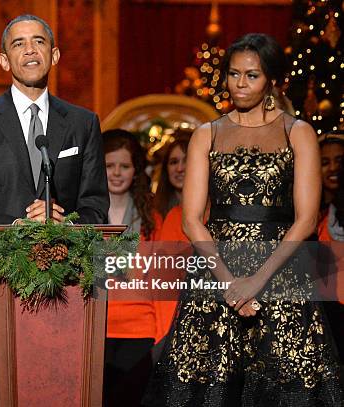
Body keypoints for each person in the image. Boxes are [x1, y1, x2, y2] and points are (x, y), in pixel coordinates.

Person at [146, 33, 341, 405]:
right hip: (216, 274)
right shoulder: (207, 134)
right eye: (234, 74)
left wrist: (256, 282)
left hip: (281, 273)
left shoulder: (298, 132)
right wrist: (231, 284)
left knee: (288, 387)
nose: (240, 84)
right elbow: (191, 219)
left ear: (271, 79)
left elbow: (306, 218)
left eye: (251, 75)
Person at [0, 14, 109, 406]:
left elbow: (96, 206)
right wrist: (14, 225)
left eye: (38, 42)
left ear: (54, 54)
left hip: (66, 293)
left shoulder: (83, 123)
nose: (30, 50)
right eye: (18, 43)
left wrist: (64, 222)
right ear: (4, 60)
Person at [102, 129, 163, 406]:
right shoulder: (83, 215)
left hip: (139, 328)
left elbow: (161, 278)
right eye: (108, 166)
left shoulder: (152, 219)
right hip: (96, 327)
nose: (116, 173)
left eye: (124, 166)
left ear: (136, 170)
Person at [154, 138, 187, 220]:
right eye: (174, 162)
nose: (179, 169)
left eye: (187, 161)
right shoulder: (153, 212)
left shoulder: (214, 209)